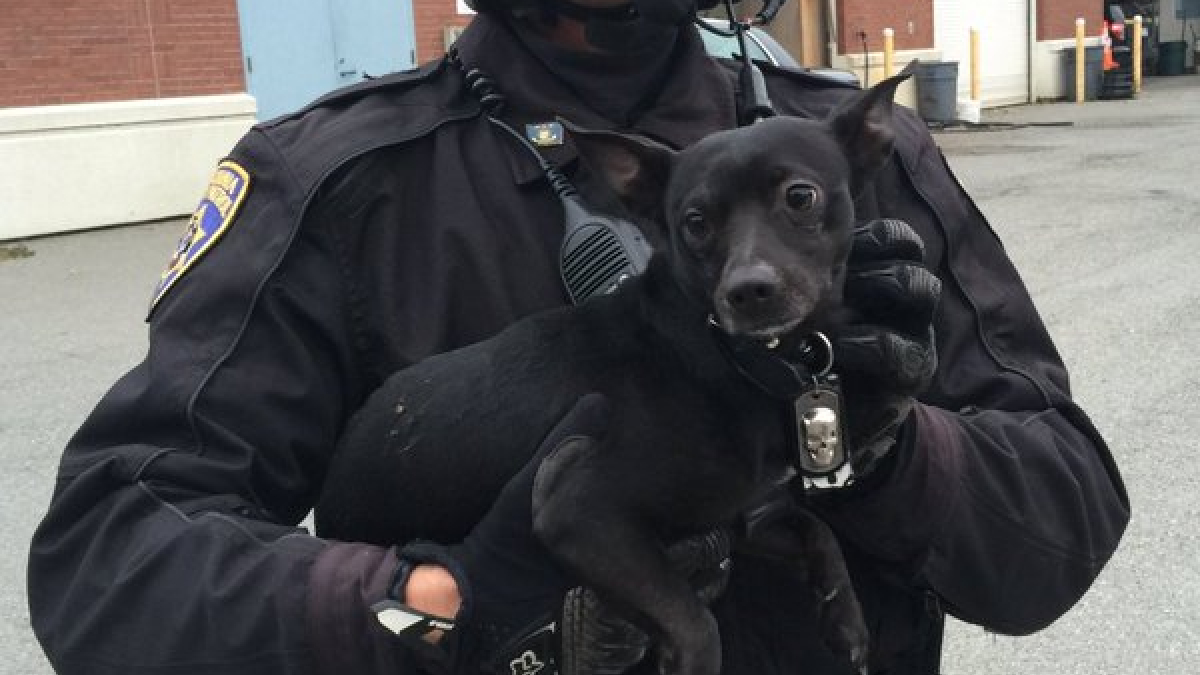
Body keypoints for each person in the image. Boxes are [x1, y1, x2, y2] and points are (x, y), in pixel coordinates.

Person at [27, 1, 1130, 674]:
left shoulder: (857, 155)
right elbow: (108, 560)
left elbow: (1062, 524)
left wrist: (892, 450)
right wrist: (437, 609)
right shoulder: (336, 185)